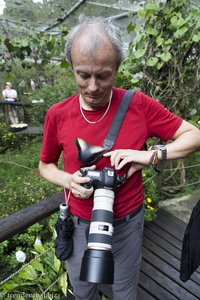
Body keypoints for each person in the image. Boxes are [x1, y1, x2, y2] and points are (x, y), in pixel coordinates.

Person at [39, 17, 200, 300]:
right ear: (72, 68)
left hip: (127, 223)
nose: (92, 87)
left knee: (125, 292)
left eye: (103, 75)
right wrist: (68, 180)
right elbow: (45, 165)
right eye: (82, 74)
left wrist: (151, 155)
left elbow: (194, 136)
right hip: (77, 223)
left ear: (117, 68)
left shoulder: (138, 105)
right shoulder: (58, 114)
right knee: (83, 290)